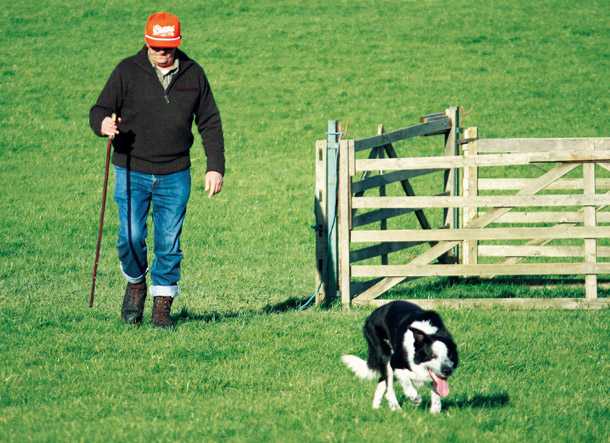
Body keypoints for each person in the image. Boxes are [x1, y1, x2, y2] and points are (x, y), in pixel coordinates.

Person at [89, 12, 224, 328]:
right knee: (130, 237)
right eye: (157, 48)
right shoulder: (127, 71)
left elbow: (210, 122)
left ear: (177, 44)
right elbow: (99, 109)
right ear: (148, 43)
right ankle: (136, 282)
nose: (163, 54)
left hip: (175, 173)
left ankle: (162, 307)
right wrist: (103, 124)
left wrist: (215, 167)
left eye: (168, 48)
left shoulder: (193, 74)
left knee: (168, 243)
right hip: (131, 169)